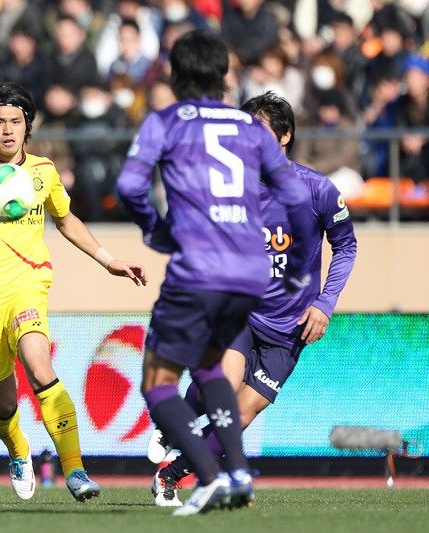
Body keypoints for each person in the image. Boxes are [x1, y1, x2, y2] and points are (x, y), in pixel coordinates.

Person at [0, 81, 147, 502]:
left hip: (27, 287)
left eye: (15, 122)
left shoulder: (44, 172)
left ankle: (75, 471)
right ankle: (18, 448)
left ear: (27, 125)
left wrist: (108, 259)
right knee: (2, 404)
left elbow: (66, 219)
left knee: (40, 367)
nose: (7, 130)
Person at [115, 32, 314, 516]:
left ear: (176, 76)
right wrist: (299, 275)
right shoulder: (250, 130)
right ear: (225, 76)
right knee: (208, 368)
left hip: (198, 267)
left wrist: (155, 231)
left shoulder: (166, 122)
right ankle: (239, 473)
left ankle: (207, 478)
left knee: (158, 383)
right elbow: (295, 196)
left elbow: (128, 186)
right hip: (249, 273)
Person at [146, 91, 357, 507]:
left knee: (240, 416)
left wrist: (324, 303)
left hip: (291, 327)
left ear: (284, 137)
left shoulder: (317, 190)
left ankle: (170, 476)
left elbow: (346, 247)